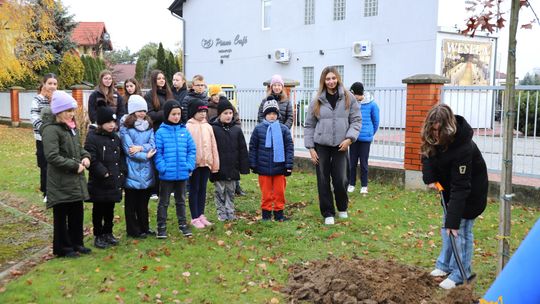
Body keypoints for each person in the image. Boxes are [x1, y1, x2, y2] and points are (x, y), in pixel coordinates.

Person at [421, 104, 488, 290]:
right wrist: (429, 177)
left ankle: (461, 273)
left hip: (470, 193)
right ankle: (444, 266)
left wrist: (453, 220)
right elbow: (426, 152)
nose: (435, 134)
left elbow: (461, 186)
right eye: (432, 130)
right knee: (446, 228)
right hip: (450, 190)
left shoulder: (464, 146)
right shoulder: (432, 135)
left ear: (448, 128)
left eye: (438, 131)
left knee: (461, 231)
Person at [304, 66, 362, 225]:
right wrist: (310, 148)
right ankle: (328, 212)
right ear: (323, 81)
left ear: (338, 78)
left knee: (341, 179)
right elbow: (309, 125)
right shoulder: (316, 100)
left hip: (341, 145)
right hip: (320, 146)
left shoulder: (349, 97)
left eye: (333, 78)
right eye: (327, 79)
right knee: (323, 179)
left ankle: (342, 207)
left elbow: (356, 120)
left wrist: (349, 139)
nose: (331, 82)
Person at [40, 91, 92, 258]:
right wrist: (73, 166)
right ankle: (63, 248)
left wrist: (85, 156)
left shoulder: (71, 128)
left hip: (74, 180)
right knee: (61, 216)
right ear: (58, 112)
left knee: (77, 213)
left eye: (72, 110)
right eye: (68, 111)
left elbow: (78, 148)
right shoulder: (51, 130)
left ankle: (77, 243)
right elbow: (52, 156)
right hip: (60, 181)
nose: (71, 114)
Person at [84, 107, 127, 249]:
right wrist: (104, 173)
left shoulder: (115, 137)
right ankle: (98, 235)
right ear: (101, 123)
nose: (111, 125)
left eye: (113, 122)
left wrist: (121, 172)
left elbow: (121, 156)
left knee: (110, 208)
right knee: (99, 209)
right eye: (108, 122)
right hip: (99, 181)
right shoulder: (92, 137)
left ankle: (108, 232)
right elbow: (92, 159)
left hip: (114, 180)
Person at [154, 100, 196, 239]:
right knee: (164, 201)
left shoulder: (184, 131)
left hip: (182, 173)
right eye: (173, 114)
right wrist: (162, 168)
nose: (176, 117)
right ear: (167, 115)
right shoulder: (160, 132)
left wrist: (189, 165)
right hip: (167, 174)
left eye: (178, 114)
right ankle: (161, 226)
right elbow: (158, 152)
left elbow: (192, 150)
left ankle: (183, 224)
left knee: (181, 200)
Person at [249, 99, 294, 221]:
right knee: (266, 193)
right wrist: (253, 163)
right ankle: (266, 214)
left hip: (280, 168)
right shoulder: (258, 129)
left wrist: (288, 165)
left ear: (278, 115)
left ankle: (279, 214)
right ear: (265, 115)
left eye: (274, 113)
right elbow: (253, 147)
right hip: (263, 168)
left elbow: (289, 147)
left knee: (279, 193)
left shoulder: (284, 129)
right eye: (269, 113)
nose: (272, 116)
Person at [120, 95, 156, 238]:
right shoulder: (126, 127)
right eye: (139, 110)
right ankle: (133, 230)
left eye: (144, 110)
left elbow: (152, 145)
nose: (142, 113)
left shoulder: (149, 125)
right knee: (131, 204)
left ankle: (144, 227)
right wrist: (145, 155)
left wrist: (140, 148)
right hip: (132, 169)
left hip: (147, 170)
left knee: (143, 203)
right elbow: (129, 150)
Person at [210, 98, 249, 221]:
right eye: (225, 113)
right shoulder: (213, 129)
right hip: (219, 168)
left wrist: (244, 167)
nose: (228, 116)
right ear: (219, 114)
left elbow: (242, 148)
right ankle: (221, 214)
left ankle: (230, 212)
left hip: (232, 167)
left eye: (230, 113)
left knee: (231, 192)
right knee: (220, 191)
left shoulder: (236, 130)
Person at [186, 99, 220, 228]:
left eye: (205, 111)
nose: (203, 114)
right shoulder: (188, 127)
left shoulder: (208, 126)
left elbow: (213, 146)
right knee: (194, 189)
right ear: (194, 112)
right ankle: (194, 217)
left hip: (206, 163)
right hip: (194, 164)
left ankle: (201, 215)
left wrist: (214, 163)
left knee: (203, 189)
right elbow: (186, 147)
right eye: (200, 111)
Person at [347, 82, 380, 194]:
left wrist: (370, 133)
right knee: (352, 162)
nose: (352, 96)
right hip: (353, 138)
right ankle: (351, 184)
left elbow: (376, 122)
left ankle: (364, 186)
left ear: (358, 93)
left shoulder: (372, 105)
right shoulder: (352, 103)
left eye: (353, 94)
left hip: (365, 139)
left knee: (364, 163)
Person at [31, 73, 58, 203]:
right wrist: (45, 131)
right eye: (50, 83)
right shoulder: (37, 99)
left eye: (54, 84)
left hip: (56, 138)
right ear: (44, 84)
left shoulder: (58, 98)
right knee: (45, 165)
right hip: (42, 139)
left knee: (56, 164)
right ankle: (46, 193)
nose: (52, 86)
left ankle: (56, 190)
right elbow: (34, 117)